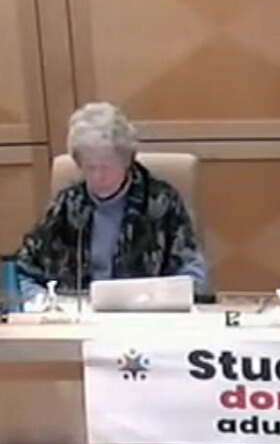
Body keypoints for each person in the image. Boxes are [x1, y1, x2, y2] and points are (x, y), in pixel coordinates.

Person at [15, 101, 208, 300]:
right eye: (90, 167)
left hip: (142, 321)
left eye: (107, 167)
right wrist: (42, 300)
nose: (99, 177)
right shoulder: (66, 205)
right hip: (76, 321)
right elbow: (22, 271)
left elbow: (194, 277)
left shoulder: (161, 202)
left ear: (126, 161)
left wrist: (159, 299)